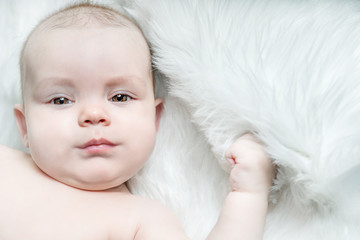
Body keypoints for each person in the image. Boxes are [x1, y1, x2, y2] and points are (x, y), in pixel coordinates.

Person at [0, 3, 275, 239]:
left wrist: (248, 196)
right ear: (24, 126)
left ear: (154, 118)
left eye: (119, 97)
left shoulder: (141, 219)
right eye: (61, 100)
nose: (94, 115)